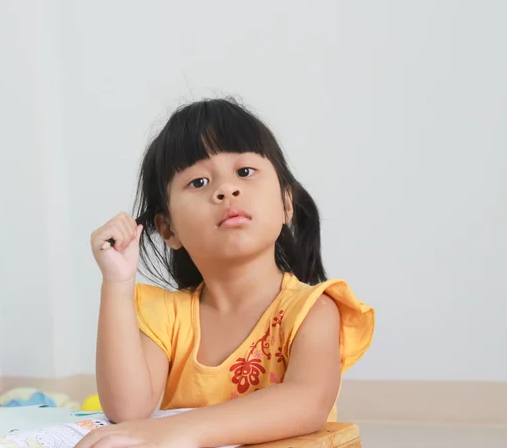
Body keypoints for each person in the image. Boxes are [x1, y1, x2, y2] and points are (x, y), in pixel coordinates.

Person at [76, 98, 375, 448]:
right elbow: (127, 409)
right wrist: (117, 282)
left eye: (245, 172)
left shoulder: (312, 309)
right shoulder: (168, 317)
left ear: (286, 203)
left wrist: (173, 432)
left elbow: (307, 403)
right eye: (199, 181)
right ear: (168, 229)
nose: (226, 189)